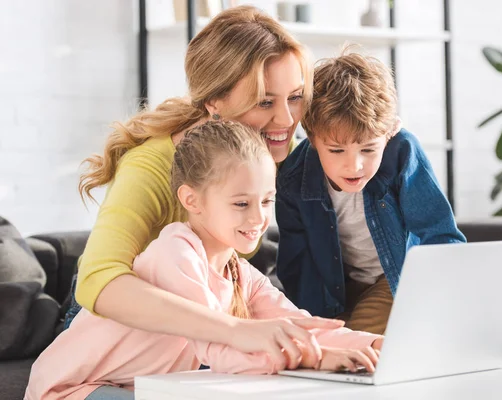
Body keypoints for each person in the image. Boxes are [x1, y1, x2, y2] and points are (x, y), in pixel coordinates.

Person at [65, 5, 341, 368]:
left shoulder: (273, 147)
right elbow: (98, 280)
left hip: (208, 329)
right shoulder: (151, 166)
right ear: (214, 102)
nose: (287, 120)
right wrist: (230, 329)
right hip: (120, 338)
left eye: (295, 97)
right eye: (264, 102)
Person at [26, 121, 384, 400]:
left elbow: (299, 325)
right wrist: (315, 359)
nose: (259, 218)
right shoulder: (175, 254)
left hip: (135, 388)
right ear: (192, 200)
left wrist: (372, 345)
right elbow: (221, 352)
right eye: (241, 203)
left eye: (266, 201)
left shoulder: (239, 272)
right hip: (72, 390)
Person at [275, 51, 466, 335]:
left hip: (394, 279)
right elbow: (297, 266)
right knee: (325, 342)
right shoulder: (293, 177)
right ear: (313, 138)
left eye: (368, 149)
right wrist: (314, 324)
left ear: (389, 132)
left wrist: (437, 300)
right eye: (336, 150)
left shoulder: (401, 151)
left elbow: (438, 234)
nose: (354, 165)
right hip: (335, 288)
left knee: (358, 337)